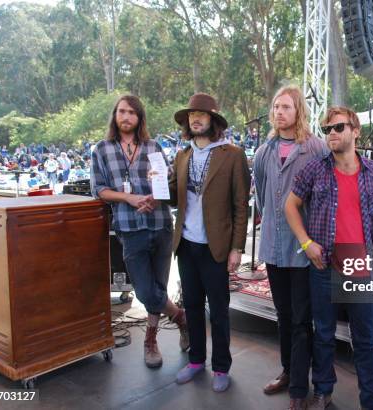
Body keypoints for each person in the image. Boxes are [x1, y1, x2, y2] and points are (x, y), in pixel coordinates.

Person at [285, 106, 373, 410]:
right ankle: (323, 392)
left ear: (356, 131)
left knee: (366, 342)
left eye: (338, 127)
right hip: (324, 267)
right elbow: (289, 206)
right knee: (324, 336)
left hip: (362, 268)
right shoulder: (315, 169)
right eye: (327, 128)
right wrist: (306, 244)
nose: (331, 133)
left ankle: (372, 401)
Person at [90, 94, 189, 369]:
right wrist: (130, 199)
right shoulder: (101, 149)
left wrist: (155, 196)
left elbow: (167, 183)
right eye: (122, 112)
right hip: (130, 227)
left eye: (132, 113)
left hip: (159, 224)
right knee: (145, 291)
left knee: (158, 286)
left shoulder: (153, 146)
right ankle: (181, 317)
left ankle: (151, 341)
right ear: (115, 115)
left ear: (139, 118)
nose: (126, 117)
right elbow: (99, 190)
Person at [253, 85, 328, 408]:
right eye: (276, 107)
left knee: (301, 319)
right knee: (283, 315)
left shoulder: (317, 149)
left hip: (302, 247)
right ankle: (287, 371)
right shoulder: (264, 150)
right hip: (273, 246)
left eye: (286, 107)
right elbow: (262, 194)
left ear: (299, 111)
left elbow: (326, 197)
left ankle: (300, 387)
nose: (279, 112)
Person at [169, 93, 250, 392]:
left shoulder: (232, 154)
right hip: (186, 245)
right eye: (192, 114)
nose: (195, 118)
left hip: (216, 247)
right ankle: (195, 361)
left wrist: (237, 248)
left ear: (213, 119)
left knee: (218, 310)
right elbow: (172, 197)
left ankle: (221, 367)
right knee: (191, 306)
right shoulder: (182, 156)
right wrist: (154, 182)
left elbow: (241, 205)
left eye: (202, 114)